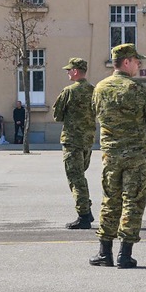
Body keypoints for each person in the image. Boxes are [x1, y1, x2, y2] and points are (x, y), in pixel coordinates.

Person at [89, 44, 146, 269]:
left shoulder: (99, 88)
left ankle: (104, 252)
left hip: (111, 155)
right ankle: (125, 254)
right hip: (136, 154)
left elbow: (95, 113)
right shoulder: (139, 89)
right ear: (126, 62)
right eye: (137, 61)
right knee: (133, 201)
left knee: (110, 199)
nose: (139, 65)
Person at [52, 58, 96, 229]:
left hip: (72, 140)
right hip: (88, 141)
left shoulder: (69, 91)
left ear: (76, 71)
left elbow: (57, 115)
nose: (68, 72)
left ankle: (83, 215)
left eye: (69, 70)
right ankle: (87, 210)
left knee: (75, 178)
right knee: (80, 176)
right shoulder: (94, 90)